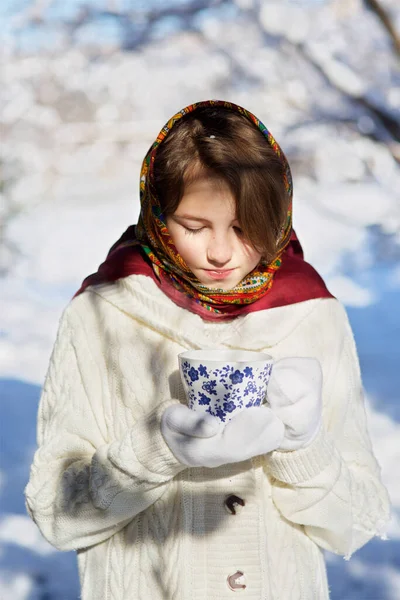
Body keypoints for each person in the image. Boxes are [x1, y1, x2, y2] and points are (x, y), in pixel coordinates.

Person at [25, 100, 390, 599]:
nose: (220, 253)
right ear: (157, 213)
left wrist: (303, 449)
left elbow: (359, 522)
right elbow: (55, 514)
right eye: (194, 227)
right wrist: (153, 452)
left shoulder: (311, 314)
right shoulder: (102, 313)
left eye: (244, 227)